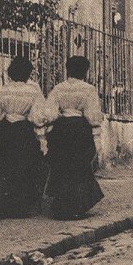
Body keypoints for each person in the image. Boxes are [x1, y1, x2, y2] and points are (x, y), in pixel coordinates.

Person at [0, 56, 47, 219]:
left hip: (7, 130)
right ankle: (18, 207)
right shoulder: (33, 91)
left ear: (11, 72)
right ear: (28, 73)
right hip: (23, 130)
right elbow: (37, 117)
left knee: (3, 165)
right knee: (23, 166)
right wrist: (41, 136)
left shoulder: (4, 90)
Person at [41, 56, 104, 219]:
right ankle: (76, 205)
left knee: (62, 166)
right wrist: (96, 135)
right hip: (80, 130)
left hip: (62, 129)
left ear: (68, 69)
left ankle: (62, 205)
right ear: (85, 72)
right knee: (78, 166)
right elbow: (92, 115)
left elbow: (49, 113)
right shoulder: (88, 89)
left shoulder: (58, 89)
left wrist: (56, 120)